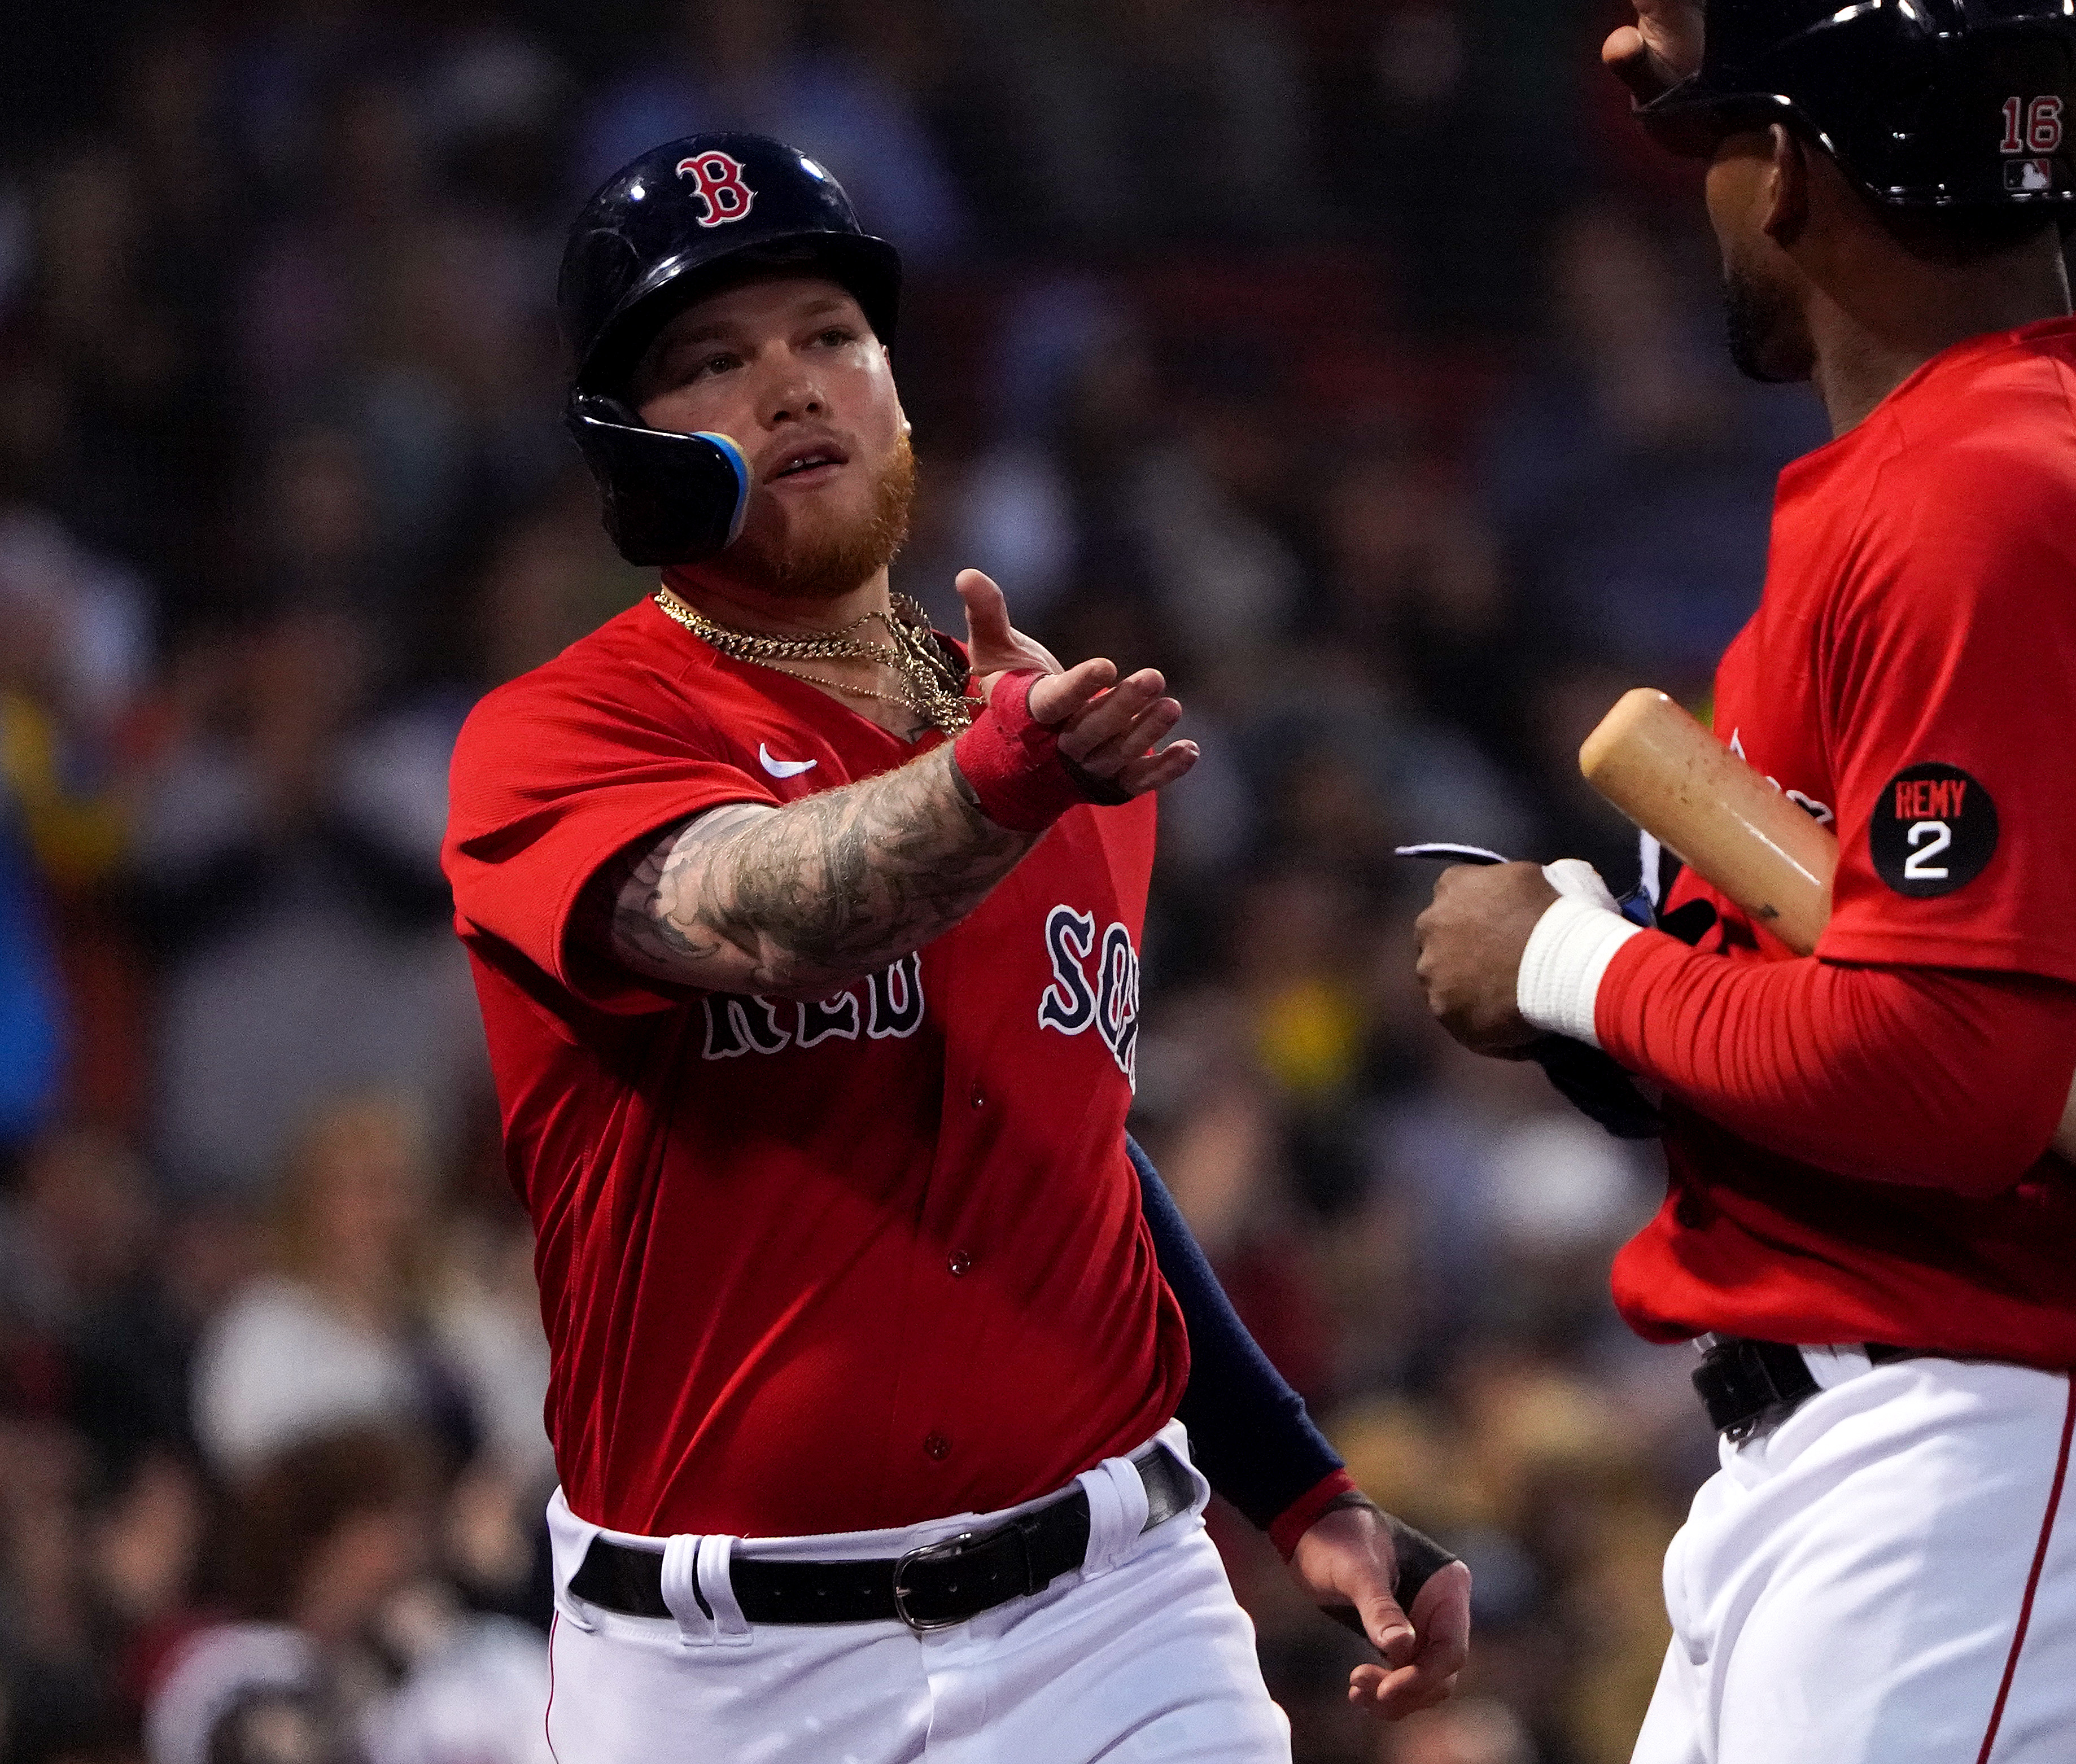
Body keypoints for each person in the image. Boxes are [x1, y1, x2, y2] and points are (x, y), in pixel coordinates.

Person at [1412, 0, 2076, 1762]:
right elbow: (1885, 229)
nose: (1707, 183)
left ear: (1801, 179)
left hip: (1997, 1449)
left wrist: (1564, 967)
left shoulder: (1974, 507)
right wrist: (1749, 104)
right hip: (1944, 1458)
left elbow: (1952, 1072)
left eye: (1737, 149)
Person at [442, 133, 1468, 1762]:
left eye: (830, 340)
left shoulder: (1049, 728)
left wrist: (1297, 1483)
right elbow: (763, 910)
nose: (790, 390)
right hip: (723, 1675)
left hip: (1116, 1614)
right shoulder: (558, 735)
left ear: (901, 394)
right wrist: (1002, 780)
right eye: (712, 362)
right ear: (626, 448)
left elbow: (1072, 1153)